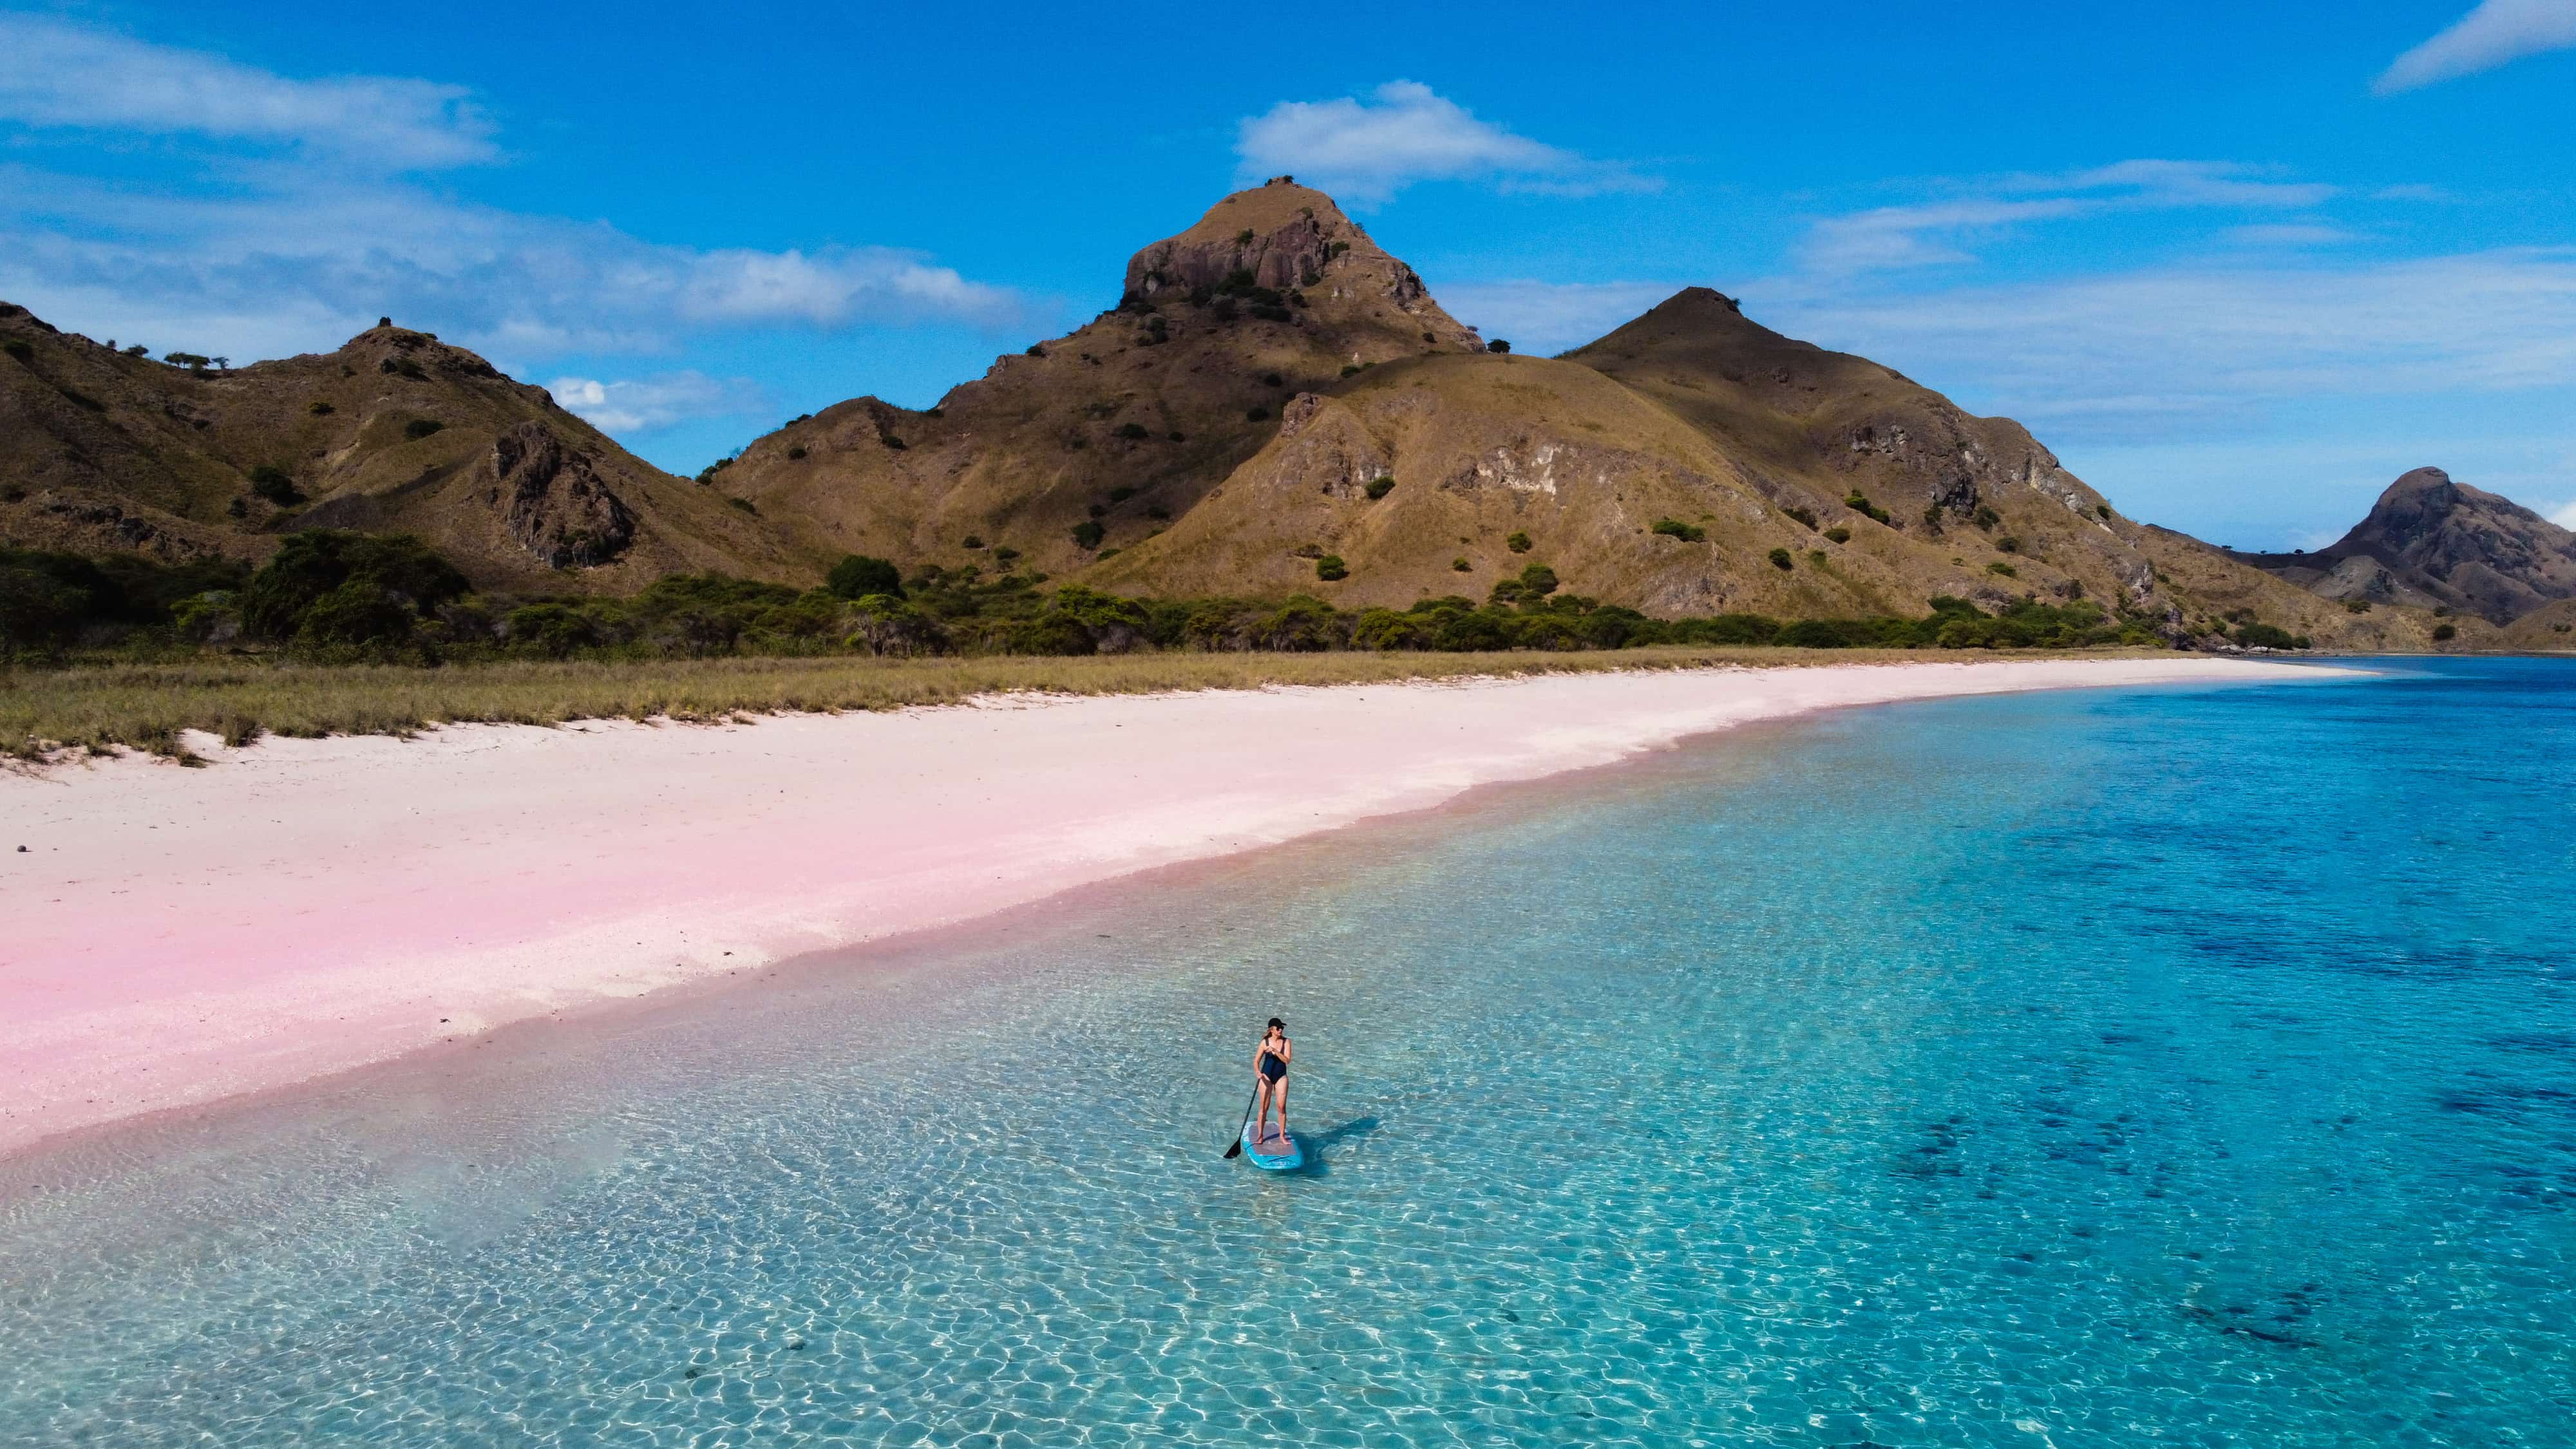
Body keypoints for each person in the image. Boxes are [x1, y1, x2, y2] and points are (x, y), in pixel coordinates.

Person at [1252, 1018, 1293, 1149]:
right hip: (1266, 1076)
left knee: (1281, 1107)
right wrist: (1258, 1072)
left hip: (1281, 1076)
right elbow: (1256, 1061)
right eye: (1278, 1028)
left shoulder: (1286, 1042)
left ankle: (1282, 1136)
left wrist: (1275, 1052)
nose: (1281, 1030)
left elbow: (1287, 1060)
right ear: (1271, 1030)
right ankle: (1260, 1135)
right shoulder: (1265, 1042)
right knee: (1264, 1107)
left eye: (1282, 1028)